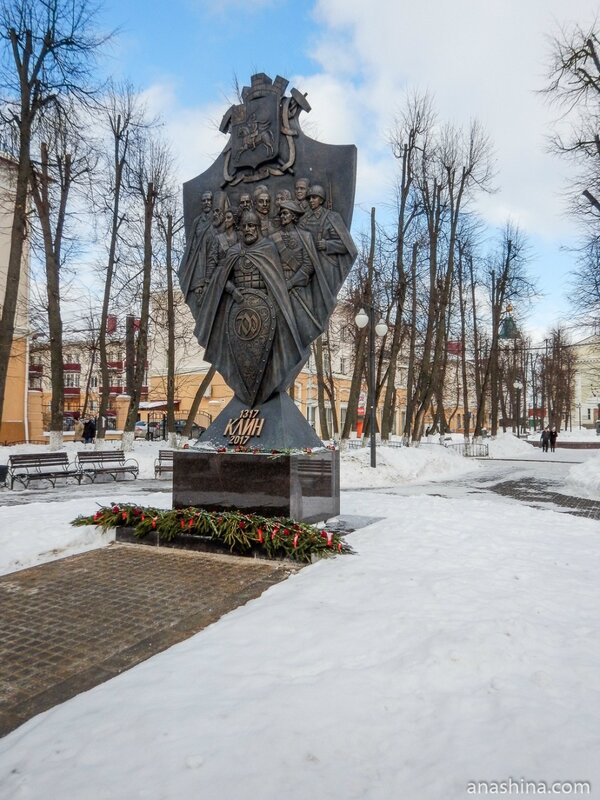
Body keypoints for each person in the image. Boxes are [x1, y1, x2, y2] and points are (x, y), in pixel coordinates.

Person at [194, 210, 307, 407]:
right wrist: (233, 290)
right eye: (245, 226)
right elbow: (221, 278)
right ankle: (248, 391)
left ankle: (265, 383)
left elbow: (275, 282)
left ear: (258, 228)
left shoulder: (268, 248)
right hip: (237, 312)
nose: (248, 229)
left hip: (266, 312)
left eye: (252, 226)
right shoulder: (233, 252)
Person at [270, 199, 335, 346]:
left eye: (285, 213)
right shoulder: (273, 238)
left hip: (300, 288)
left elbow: (308, 265)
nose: (282, 216)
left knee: (301, 330)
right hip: (279, 288)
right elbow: (270, 265)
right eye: (281, 214)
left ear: (293, 216)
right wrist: (281, 284)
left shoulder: (306, 237)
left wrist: (291, 283)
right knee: (280, 331)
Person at [299, 183, 357, 297]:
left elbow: (346, 246)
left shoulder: (332, 217)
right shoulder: (304, 219)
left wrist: (327, 244)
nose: (311, 200)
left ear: (321, 200)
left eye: (314, 197)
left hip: (326, 266)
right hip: (307, 265)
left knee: (322, 299)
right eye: (309, 198)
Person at [179, 190, 216, 301]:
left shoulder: (217, 217)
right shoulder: (197, 221)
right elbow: (192, 249)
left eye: (208, 200)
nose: (206, 202)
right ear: (201, 203)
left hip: (216, 259)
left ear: (212, 202)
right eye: (204, 200)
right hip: (201, 262)